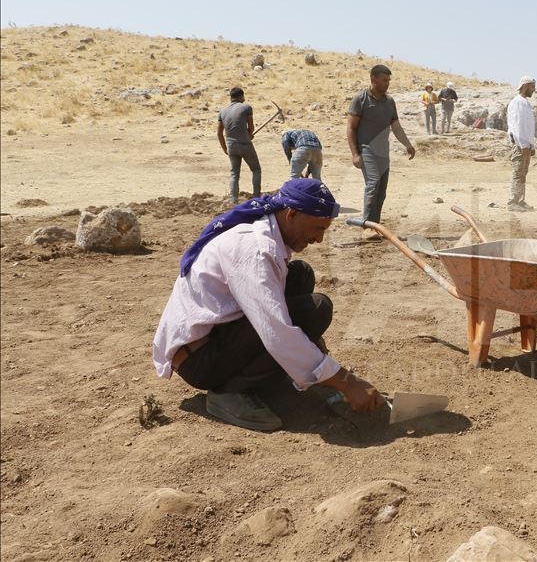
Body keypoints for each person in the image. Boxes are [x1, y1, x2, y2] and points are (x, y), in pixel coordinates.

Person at [152, 179, 386, 431]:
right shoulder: (254, 250)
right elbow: (276, 330)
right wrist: (346, 382)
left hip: (217, 337)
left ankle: (271, 374)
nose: (319, 239)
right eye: (317, 228)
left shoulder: (268, 232)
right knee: (317, 308)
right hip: (199, 360)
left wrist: (312, 347)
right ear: (292, 214)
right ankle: (229, 392)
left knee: (300, 274)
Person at [347, 65, 416, 225]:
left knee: (381, 191)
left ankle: (374, 225)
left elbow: (396, 126)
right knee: (373, 184)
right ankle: (368, 224)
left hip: (383, 153)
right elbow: (351, 127)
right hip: (366, 150)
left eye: (388, 80)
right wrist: (355, 154)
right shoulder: (361, 99)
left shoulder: (390, 101)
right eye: (384, 80)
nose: (387, 84)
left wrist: (407, 144)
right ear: (373, 79)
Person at [217, 87, 260, 204]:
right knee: (256, 169)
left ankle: (233, 199)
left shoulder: (223, 111)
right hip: (245, 144)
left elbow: (219, 133)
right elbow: (251, 127)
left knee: (234, 173)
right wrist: (250, 134)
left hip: (231, 146)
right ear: (241, 96)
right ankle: (256, 196)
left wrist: (225, 148)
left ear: (231, 97)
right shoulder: (246, 107)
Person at [507, 76, 537, 211]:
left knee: (523, 173)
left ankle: (520, 200)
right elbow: (517, 126)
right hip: (520, 145)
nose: (534, 89)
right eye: (532, 86)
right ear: (525, 86)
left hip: (526, 145)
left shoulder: (525, 103)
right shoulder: (517, 102)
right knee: (518, 173)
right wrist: (523, 145)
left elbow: (528, 127)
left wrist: (531, 145)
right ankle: (513, 202)